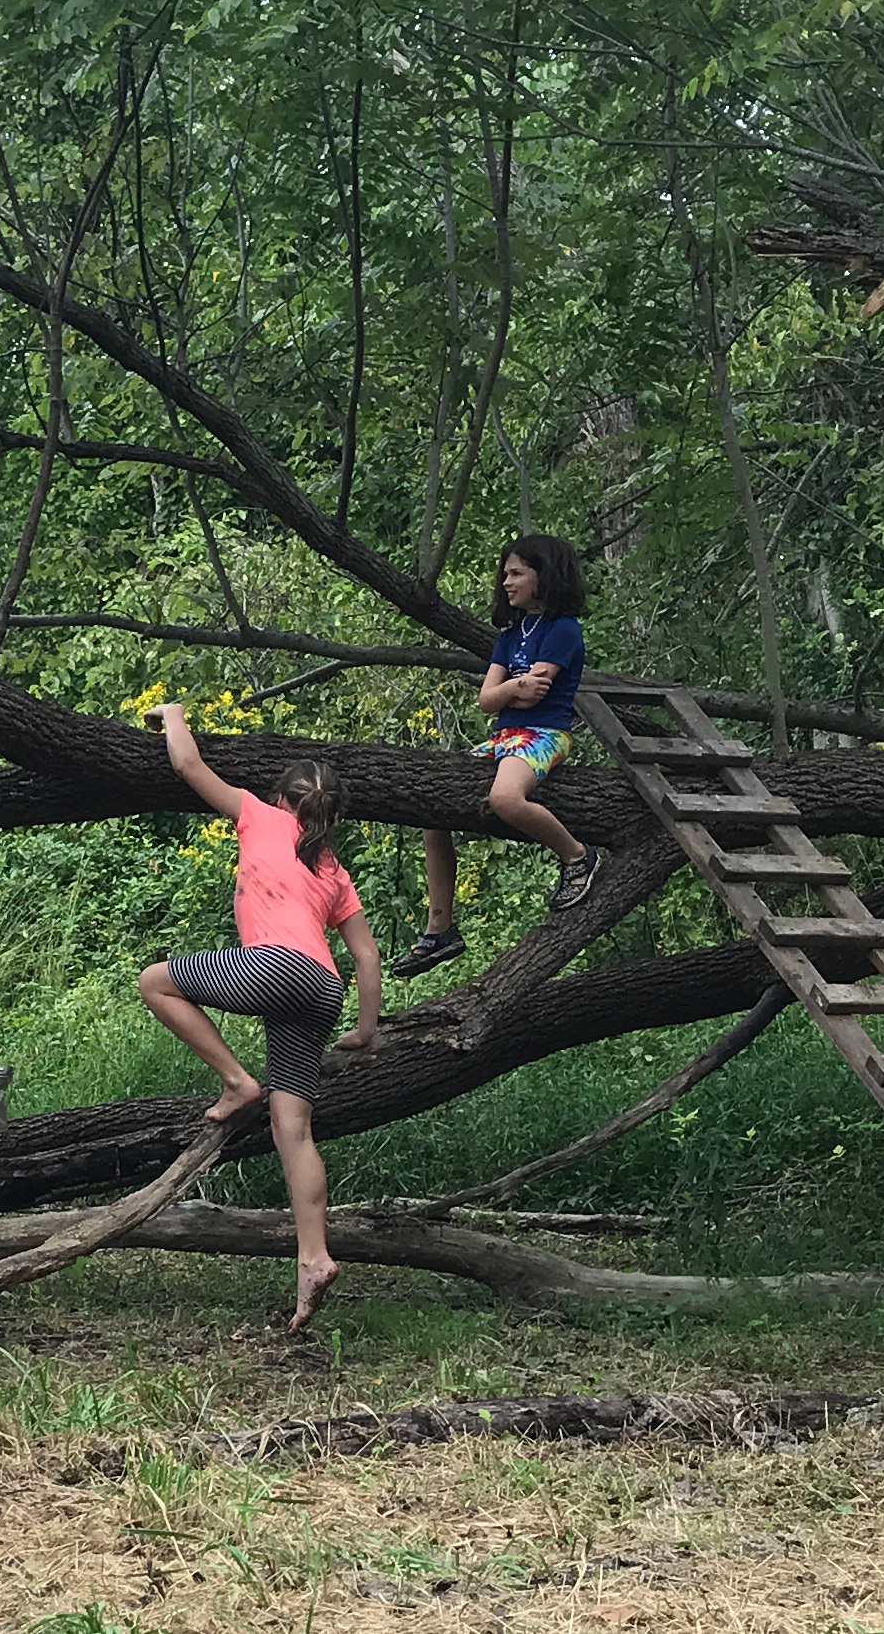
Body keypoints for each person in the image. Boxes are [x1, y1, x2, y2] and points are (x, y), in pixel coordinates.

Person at [135, 704, 382, 1333]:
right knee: (292, 1129)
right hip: (322, 989)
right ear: (327, 818)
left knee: (155, 982)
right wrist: (366, 1027)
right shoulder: (335, 871)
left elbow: (188, 763)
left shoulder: (258, 814)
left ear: (281, 799)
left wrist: (175, 714)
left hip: (278, 968)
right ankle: (313, 1257)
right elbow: (365, 953)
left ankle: (237, 1081)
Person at [389, 533, 606, 978]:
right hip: (504, 735)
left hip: (543, 733)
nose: (506, 582)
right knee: (433, 813)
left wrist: (510, 691)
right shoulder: (511, 635)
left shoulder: (563, 630)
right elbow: (489, 700)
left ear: (543, 576)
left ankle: (576, 857)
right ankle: (440, 929)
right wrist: (511, 688)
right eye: (505, 574)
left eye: (516, 573)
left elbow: (534, 697)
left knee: (506, 799)